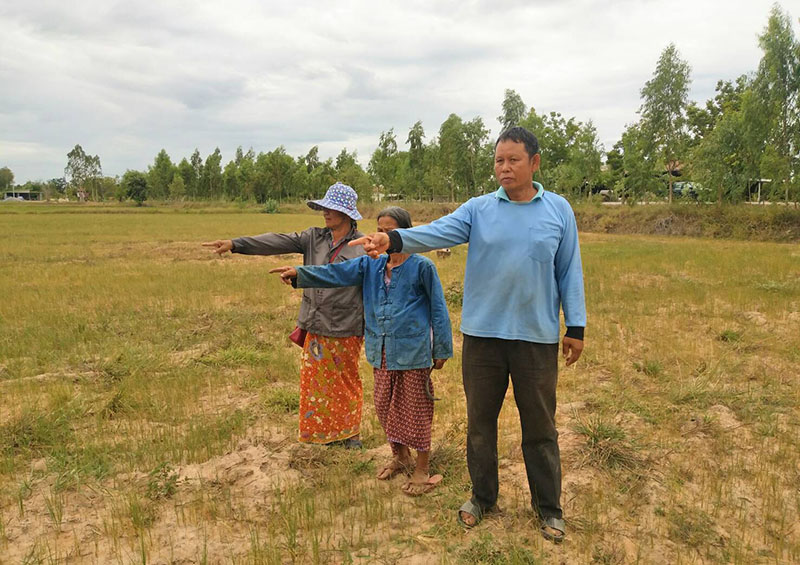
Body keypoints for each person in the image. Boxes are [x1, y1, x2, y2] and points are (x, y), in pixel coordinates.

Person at [350, 126, 586, 542]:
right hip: (483, 338)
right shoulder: (478, 209)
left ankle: (548, 508)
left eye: (514, 159)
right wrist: (393, 239)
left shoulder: (558, 210)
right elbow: (436, 232)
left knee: (541, 427)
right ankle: (482, 497)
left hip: (536, 337)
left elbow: (569, 269)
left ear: (534, 163)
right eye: (499, 160)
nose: (505, 167)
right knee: (480, 424)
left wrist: (576, 326)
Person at [270, 206, 453, 495]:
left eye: (389, 229)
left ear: (405, 232)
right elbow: (336, 272)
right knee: (384, 406)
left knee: (415, 409)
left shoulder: (422, 267)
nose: (381, 235)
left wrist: (441, 348)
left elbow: (439, 309)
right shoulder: (371, 265)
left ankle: (421, 468)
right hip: (381, 350)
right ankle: (399, 456)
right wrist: (300, 274)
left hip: (413, 351)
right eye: (378, 229)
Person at [203, 182, 366, 448]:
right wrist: (236, 244)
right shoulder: (313, 237)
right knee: (316, 384)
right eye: (323, 207)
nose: (325, 213)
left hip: (346, 323)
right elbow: (277, 240)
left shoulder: (362, 246)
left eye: (331, 208)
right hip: (315, 322)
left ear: (347, 213)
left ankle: (349, 435)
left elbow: (354, 280)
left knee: (345, 382)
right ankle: (323, 435)